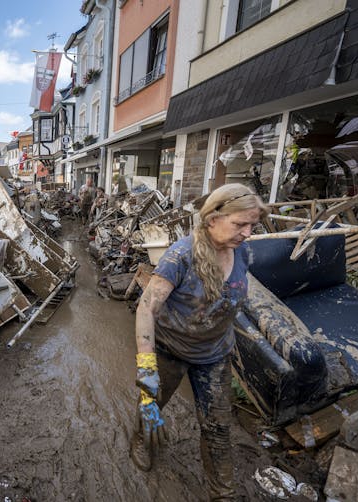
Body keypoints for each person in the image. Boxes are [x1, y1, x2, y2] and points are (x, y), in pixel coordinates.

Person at [130, 183, 267, 501]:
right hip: (169, 350)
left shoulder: (243, 251)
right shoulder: (180, 256)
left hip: (215, 354)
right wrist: (146, 366)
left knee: (218, 426)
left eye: (252, 225)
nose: (247, 232)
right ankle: (141, 438)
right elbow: (146, 308)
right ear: (212, 219)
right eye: (239, 224)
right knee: (152, 403)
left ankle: (223, 493)